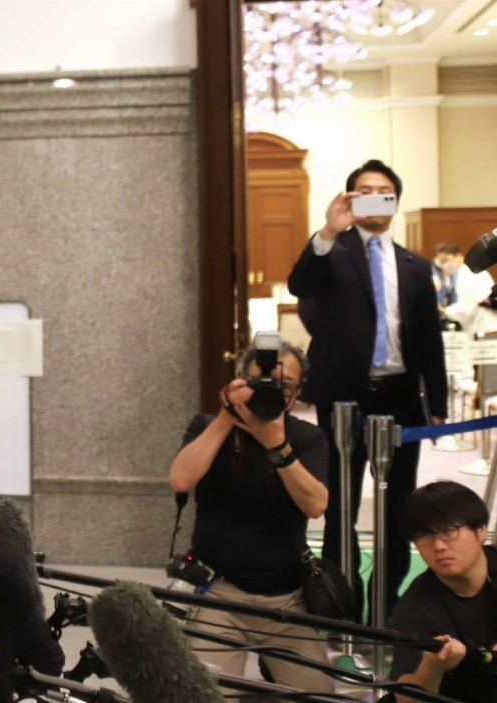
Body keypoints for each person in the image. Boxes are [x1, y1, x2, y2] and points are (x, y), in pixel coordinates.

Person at [287, 159, 447, 618]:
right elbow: (300, 283)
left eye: (383, 190)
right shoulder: (331, 253)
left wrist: (435, 404)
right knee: (340, 504)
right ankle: (341, 600)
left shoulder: (416, 266)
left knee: (401, 505)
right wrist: (327, 232)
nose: (373, 195)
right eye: (363, 189)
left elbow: (429, 339)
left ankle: (386, 604)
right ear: (350, 198)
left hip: (400, 398)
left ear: (395, 200)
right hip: (343, 397)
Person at [169, 341, 335, 694]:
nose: (273, 391)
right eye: (263, 381)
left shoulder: (307, 437)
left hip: (287, 599)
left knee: (318, 694)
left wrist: (278, 446)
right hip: (218, 593)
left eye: (285, 385)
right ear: (242, 381)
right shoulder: (209, 425)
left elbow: (316, 505)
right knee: (204, 696)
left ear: (296, 394)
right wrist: (227, 418)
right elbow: (180, 479)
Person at [389, 481, 497, 703]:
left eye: (449, 531)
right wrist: (432, 668)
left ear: (481, 531)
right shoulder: (414, 607)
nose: (438, 546)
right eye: (424, 536)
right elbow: (405, 700)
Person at [435, 244, 497, 335]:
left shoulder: (467, 275)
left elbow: (466, 310)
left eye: (447, 260)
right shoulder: (471, 271)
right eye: (442, 262)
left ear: (458, 256)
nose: (446, 264)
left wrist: (444, 310)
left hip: (484, 327)